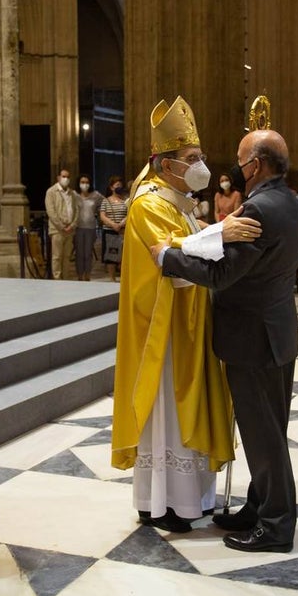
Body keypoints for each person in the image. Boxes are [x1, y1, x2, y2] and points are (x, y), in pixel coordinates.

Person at [153, 129, 298, 554]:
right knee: (269, 431)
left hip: (254, 339)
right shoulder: (287, 200)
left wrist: (168, 257)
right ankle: (259, 507)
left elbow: (223, 274)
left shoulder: (259, 208)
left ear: (255, 164)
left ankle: (275, 526)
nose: (235, 168)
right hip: (275, 332)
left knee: (263, 435)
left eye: (240, 160)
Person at [110, 96, 252, 534]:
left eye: (202, 157)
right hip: (165, 330)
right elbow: (167, 258)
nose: (201, 165)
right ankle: (165, 501)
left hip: (190, 322)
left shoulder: (180, 198)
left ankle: (193, 498)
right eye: (192, 158)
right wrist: (220, 232)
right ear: (165, 163)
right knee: (169, 410)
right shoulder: (149, 203)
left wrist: (217, 231)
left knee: (188, 406)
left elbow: (190, 247)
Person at [45, 168, 78, 279]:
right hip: (57, 230)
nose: (66, 179)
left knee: (67, 256)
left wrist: (72, 225)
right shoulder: (51, 192)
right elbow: (51, 211)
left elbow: (76, 210)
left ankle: (66, 278)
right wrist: (61, 226)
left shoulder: (72, 193)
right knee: (57, 256)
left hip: (70, 229)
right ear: (58, 177)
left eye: (68, 177)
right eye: (64, 176)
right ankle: (57, 279)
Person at [74, 174, 103, 281]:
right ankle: (80, 275)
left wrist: (101, 214)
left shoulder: (95, 195)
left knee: (88, 253)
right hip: (78, 227)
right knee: (79, 253)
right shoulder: (75, 195)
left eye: (86, 182)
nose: (84, 184)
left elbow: (105, 202)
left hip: (90, 228)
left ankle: (87, 275)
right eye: (82, 182)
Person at [100, 175, 128, 282]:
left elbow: (130, 213)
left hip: (123, 231)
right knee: (111, 256)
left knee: (122, 256)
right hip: (110, 231)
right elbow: (103, 215)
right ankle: (112, 278)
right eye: (117, 185)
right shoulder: (106, 201)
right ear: (112, 187)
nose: (119, 187)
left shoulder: (125, 200)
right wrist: (113, 224)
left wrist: (121, 224)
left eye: (120, 185)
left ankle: (123, 279)